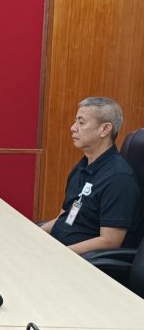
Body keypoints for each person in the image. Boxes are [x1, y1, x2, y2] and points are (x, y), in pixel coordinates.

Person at [41, 97, 140, 254]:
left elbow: (110, 241)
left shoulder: (119, 178)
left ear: (105, 129)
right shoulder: (81, 167)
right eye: (75, 121)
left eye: (81, 122)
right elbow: (66, 216)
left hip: (83, 260)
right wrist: (36, 233)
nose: (73, 128)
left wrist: (59, 253)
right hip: (60, 248)